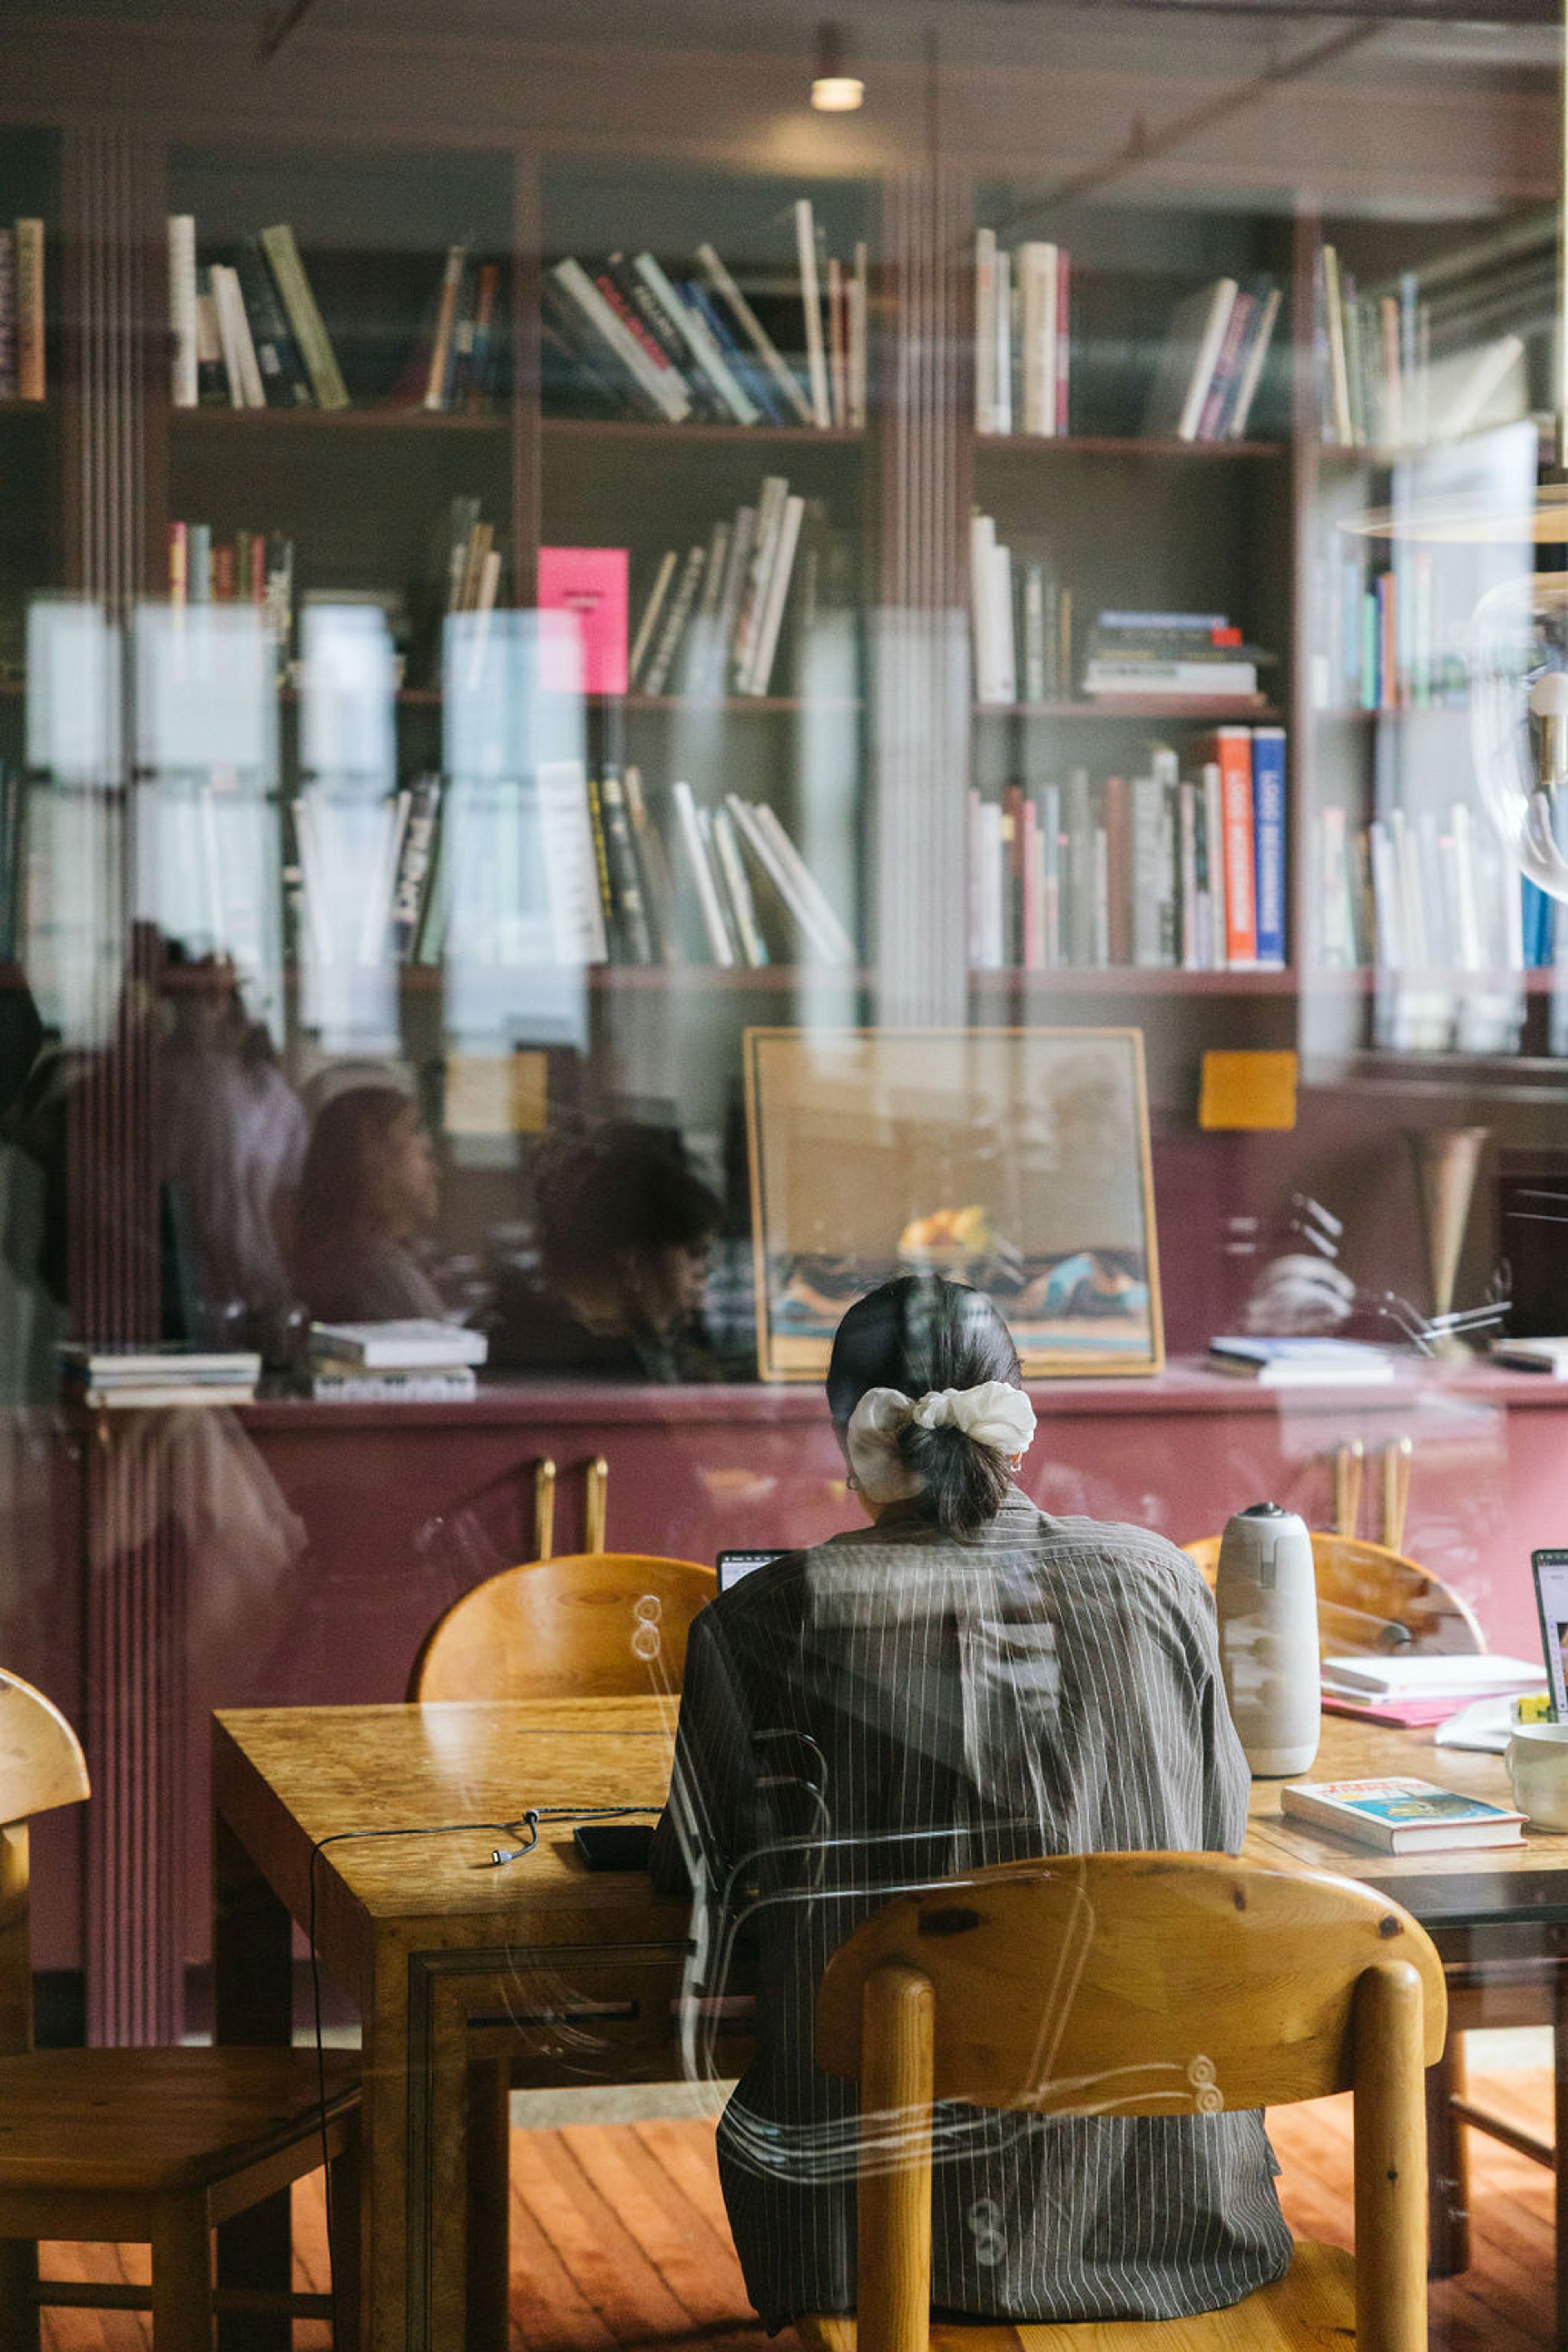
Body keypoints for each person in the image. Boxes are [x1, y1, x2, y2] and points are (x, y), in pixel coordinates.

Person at [651, 1273, 1290, 2331]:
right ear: (1018, 1418)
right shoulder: (1165, 1582)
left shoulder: (761, 1620)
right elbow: (1216, 1840)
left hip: (875, 2249)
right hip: (1172, 2220)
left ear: (849, 1435)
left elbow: (698, 1880)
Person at [490, 1118, 723, 1380]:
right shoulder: (593, 1363)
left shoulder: (659, 1346)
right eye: (694, 1254)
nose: (704, 1273)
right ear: (634, 1260)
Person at [289, 1083, 446, 1324]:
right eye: (426, 1155)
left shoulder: (343, 1264)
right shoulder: (377, 1276)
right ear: (378, 1163)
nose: (437, 1173)